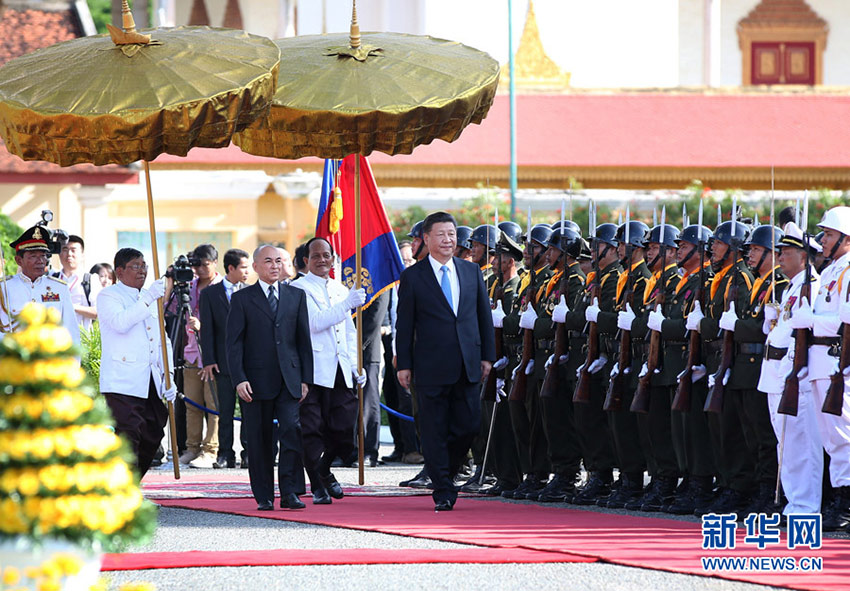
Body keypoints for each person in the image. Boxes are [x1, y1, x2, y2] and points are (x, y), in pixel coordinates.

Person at [396, 211, 496, 511]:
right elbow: (405, 323)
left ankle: (446, 473)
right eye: (441, 234)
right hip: (429, 365)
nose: (448, 240)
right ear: (426, 238)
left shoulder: (470, 271)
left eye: (452, 234)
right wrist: (404, 364)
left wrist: (487, 356)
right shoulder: (413, 276)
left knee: (468, 425)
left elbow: (483, 317)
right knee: (433, 428)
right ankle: (442, 487)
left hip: (468, 362)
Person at [226, 244, 313, 511]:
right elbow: (234, 344)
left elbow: (302, 340)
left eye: (278, 261)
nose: (274, 266)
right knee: (260, 439)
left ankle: (289, 492)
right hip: (255, 381)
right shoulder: (242, 299)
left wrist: (305, 378)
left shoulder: (295, 295)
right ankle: (263, 494)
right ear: (255, 267)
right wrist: (239, 378)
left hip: (289, 378)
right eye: (268, 261)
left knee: (291, 432)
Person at [293, 237, 366, 503]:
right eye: (316, 256)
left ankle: (324, 469)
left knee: (345, 429)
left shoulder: (340, 288)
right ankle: (317, 484)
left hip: (340, 367)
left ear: (333, 258)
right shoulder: (298, 288)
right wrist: (348, 304)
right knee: (312, 430)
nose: (322, 260)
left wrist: (356, 364)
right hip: (313, 369)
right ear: (306, 261)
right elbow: (314, 323)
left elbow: (348, 331)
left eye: (327, 255)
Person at [758, 222, 823, 518]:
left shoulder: (813, 286)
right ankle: (794, 503)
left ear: (802, 255)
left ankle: (805, 507)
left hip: (795, 375)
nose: (780, 257)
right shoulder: (790, 288)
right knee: (787, 446)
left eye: (786, 252)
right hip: (776, 373)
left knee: (802, 445)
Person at [793, 206, 850, 531]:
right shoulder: (829, 271)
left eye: (828, 234)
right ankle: (839, 497)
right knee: (830, 436)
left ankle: (846, 502)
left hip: (836, 362)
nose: (823, 240)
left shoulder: (847, 271)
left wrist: (812, 320)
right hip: (818, 362)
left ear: (846, 238)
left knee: (843, 434)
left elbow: (846, 320)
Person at [98, 248, 176, 477]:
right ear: (119, 271)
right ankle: (123, 492)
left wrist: (168, 376)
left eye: (144, 266)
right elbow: (121, 323)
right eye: (135, 266)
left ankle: (131, 486)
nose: (142, 271)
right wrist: (149, 297)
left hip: (149, 378)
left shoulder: (149, 297)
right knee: (128, 435)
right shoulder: (110, 296)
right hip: (122, 379)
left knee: (153, 432)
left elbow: (163, 340)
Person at [170, 244, 223, 469]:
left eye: (205, 264)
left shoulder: (223, 287)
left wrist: (203, 326)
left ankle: (210, 450)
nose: (200, 269)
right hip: (191, 352)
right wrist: (172, 283)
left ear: (215, 263)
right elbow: (170, 309)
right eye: (196, 264)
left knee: (213, 405)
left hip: (213, 354)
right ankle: (191, 448)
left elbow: (227, 322)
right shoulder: (188, 286)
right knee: (192, 405)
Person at [199, 248, 250, 469]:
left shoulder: (251, 292)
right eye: (244, 267)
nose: (248, 271)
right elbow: (207, 330)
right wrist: (209, 359)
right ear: (231, 268)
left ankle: (249, 453)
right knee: (225, 410)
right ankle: (225, 453)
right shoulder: (210, 294)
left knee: (249, 410)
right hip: (222, 362)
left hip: (249, 363)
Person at [1, 225, 78, 345]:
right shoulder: (4, 287)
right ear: (19, 260)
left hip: (50, 358)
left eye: (43, 256)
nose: (40, 261)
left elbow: (70, 330)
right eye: (33, 256)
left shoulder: (59, 288)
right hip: (16, 358)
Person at [53, 235, 100, 329]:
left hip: (82, 340)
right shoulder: (52, 279)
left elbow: (98, 312)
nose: (69, 254)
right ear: (59, 253)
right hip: (55, 339)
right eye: (65, 249)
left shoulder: (91, 280)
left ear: (82, 255)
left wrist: (71, 306)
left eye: (73, 250)